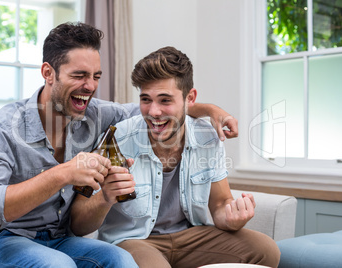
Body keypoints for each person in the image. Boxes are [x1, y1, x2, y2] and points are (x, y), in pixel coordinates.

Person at [0, 22, 238, 267]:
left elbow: (153, 109)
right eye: (79, 75)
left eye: (96, 76)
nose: (90, 86)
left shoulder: (95, 114)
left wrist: (209, 109)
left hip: (61, 239)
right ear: (48, 73)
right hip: (0, 241)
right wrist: (62, 173)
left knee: (121, 259)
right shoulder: (0, 129)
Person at [71, 46, 281, 268]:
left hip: (190, 237)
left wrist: (231, 218)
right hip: (134, 241)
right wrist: (105, 197)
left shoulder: (208, 137)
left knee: (265, 251)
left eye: (165, 100)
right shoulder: (118, 138)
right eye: (146, 99)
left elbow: (220, 204)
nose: (153, 112)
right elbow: (78, 222)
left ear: (190, 98)